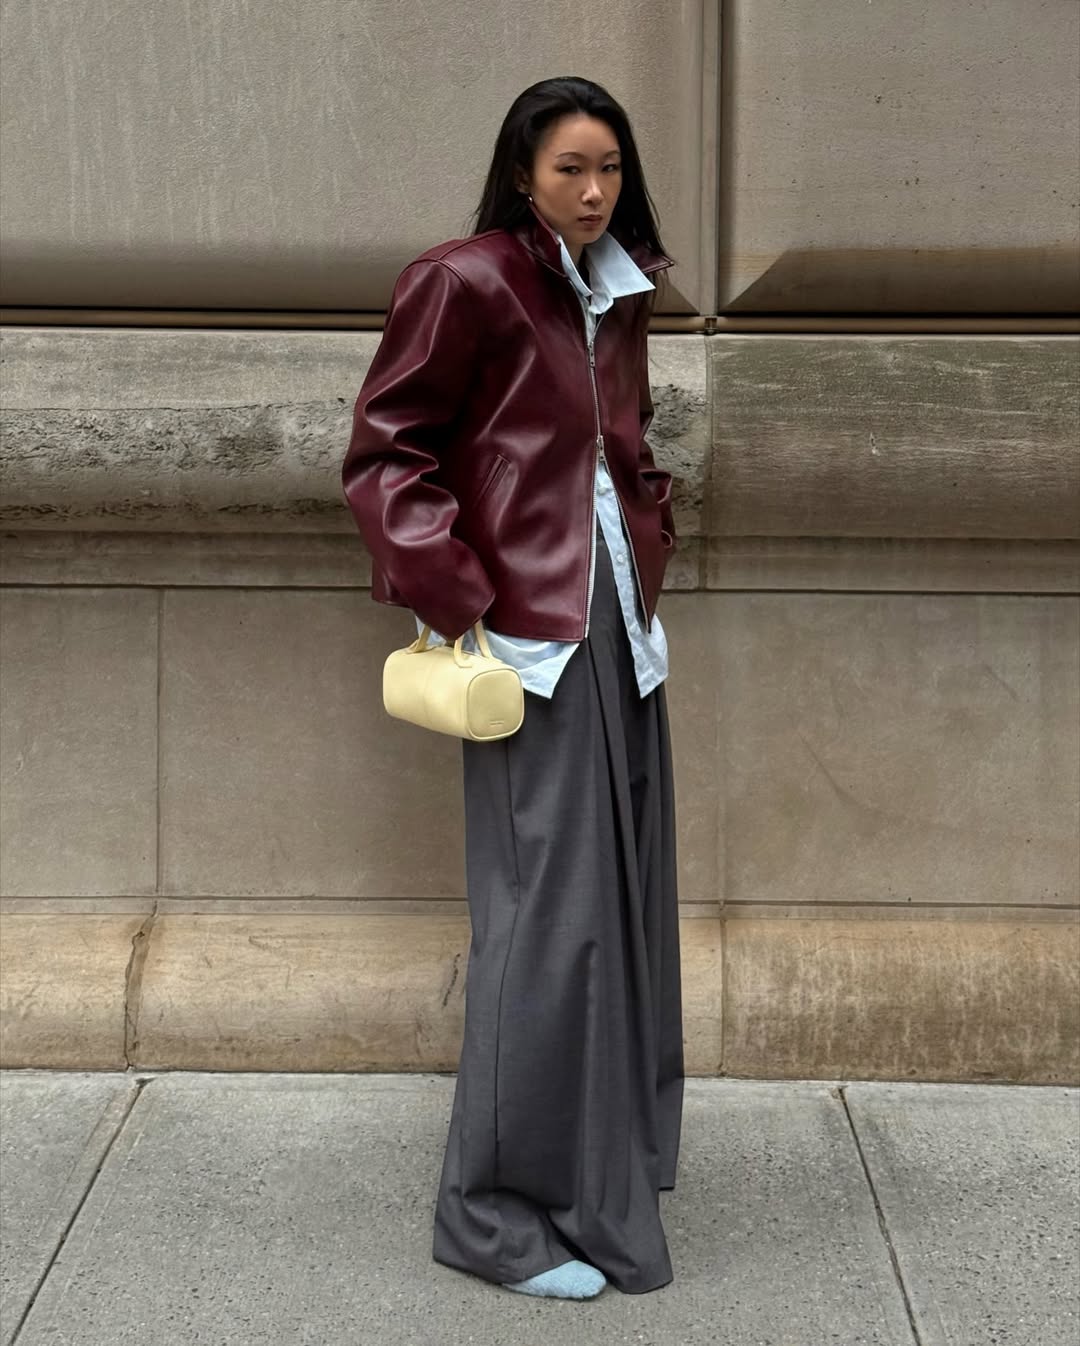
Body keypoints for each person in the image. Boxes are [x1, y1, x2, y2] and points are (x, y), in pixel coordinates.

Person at [341, 75, 683, 1300]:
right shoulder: (467, 277)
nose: (594, 193)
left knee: (614, 919)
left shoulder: (618, 286)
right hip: (531, 640)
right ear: (522, 174)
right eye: (568, 172)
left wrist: (649, 529)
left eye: (610, 170)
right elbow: (387, 454)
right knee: (546, 927)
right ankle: (491, 1213)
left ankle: (597, 1181)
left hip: (617, 631)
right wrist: (459, 595)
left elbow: (607, 450)